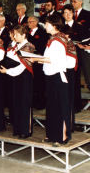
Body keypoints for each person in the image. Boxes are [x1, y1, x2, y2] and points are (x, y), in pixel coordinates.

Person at [27, 15, 71, 147]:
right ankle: (52, 134)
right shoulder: (52, 39)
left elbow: (55, 60)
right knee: (51, 107)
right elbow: (47, 57)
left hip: (57, 76)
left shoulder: (58, 40)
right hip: (50, 76)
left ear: (55, 25)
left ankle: (62, 136)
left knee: (59, 107)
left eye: (47, 24)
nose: (45, 26)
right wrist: (36, 58)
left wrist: (35, 59)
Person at [0, 25, 34, 139]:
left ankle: (25, 130)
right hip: (16, 76)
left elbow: (22, 67)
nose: (15, 36)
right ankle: (18, 129)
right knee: (17, 102)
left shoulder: (28, 46)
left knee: (24, 103)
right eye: (14, 34)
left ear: (24, 35)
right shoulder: (17, 46)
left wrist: (7, 71)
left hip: (24, 76)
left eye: (17, 34)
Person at [63, 4, 87, 113]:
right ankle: (65, 105)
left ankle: (76, 106)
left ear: (73, 13)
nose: (67, 15)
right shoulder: (60, 27)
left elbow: (83, 42)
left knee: (75, 82)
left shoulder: (79, 27)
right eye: (65, 13)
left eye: (69, 13)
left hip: (75, 57)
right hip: (62, 58)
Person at [71, 0, 90, 94]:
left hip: (83, 42)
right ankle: (73, 84)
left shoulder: (88, 14)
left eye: (75, 1)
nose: (73, 3)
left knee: (86, 65)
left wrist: (82, 25)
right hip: (73, 43)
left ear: (81, 2)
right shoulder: (70, 14)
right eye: (72, 2)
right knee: (73, 64)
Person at [27, 16, 49, 110]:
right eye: (28, 22)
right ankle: (33, 102)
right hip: (28, 59)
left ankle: (41, 102)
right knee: (31, 82)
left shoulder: (42, 32)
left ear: (36, 22)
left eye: (30, 22)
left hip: (38, 59)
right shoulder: (26, 33)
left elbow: (43, 45)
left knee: (39, 82)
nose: (29, 24)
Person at [59, 23, 77, 132]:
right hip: (61, 72)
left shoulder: (70, 45)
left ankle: (69, 126)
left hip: (68, 73)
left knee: (68, 100)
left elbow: (71, 63)